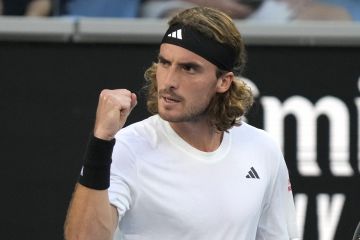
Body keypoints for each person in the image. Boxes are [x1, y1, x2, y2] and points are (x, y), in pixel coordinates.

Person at [64, 6, 299, 240]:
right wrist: (101, 141)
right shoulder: (126, 147)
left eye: (189, 68)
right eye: (165, 63)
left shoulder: (263, 149)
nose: (169, 81)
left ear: (224, 82)